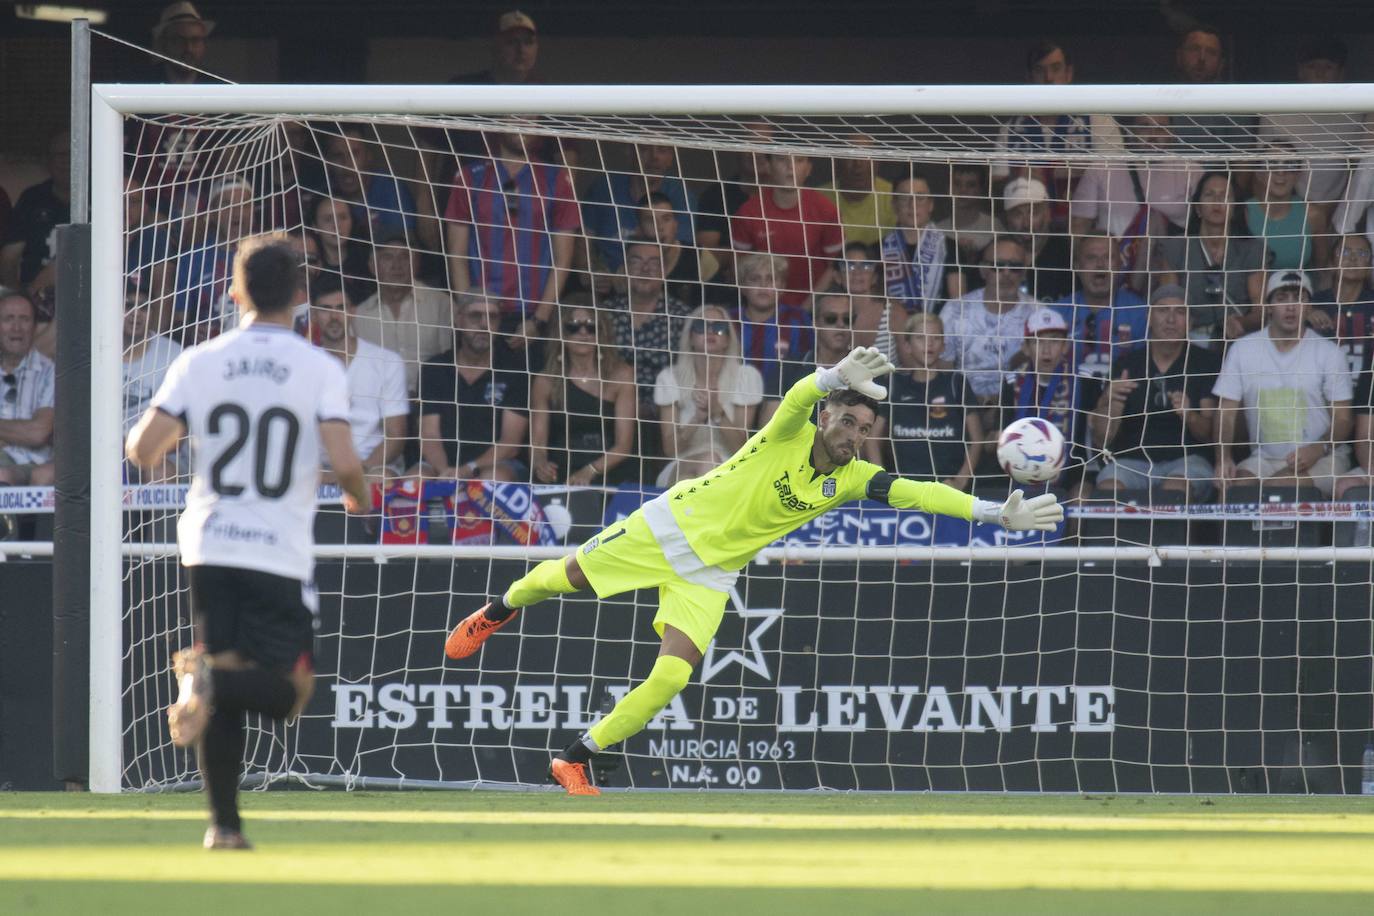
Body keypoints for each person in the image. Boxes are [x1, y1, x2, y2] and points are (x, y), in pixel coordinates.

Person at [442, 346, 1062, 795]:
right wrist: (832, 377)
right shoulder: (785, 436)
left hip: (713, 572)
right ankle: (493, 614)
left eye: (864, 428)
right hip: (669, 528)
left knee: (670, 679)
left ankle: (575, 758)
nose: (853, 434)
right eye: (847, 419)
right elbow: (796, 397)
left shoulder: (852, 480)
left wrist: (990, 512)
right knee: (560, 580)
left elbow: (923, 494)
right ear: (828, 419)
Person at [124, 233, 369, 849]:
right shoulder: (319, 366)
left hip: (207, 544)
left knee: (224, 682)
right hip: (275, 551)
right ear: (299, 295)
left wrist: (191, 447)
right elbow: (343, 460)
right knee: (291, 691)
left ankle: (224, 828)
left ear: (234, 291)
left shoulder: (198, 360)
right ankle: (206, 684)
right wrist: (360, 497)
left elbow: (142, 449)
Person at [1214, 270, 1353, 497]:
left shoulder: (1329, 353)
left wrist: (1319, 448)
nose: (1291, 307)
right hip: (1264, 459)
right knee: (1232, 494)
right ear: (1268, 307)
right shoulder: (1242, 349)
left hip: (1325, 458)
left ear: (1309, 306)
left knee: (1277, 491)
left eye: (1299, 298)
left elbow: (1344, 417)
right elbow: (1226, 412)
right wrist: (1224, 459)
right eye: (1281, 299)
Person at [444, 131, 579, 346]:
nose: (523, 124)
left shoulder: (557, 179)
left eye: (530, 118)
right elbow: (456, 254)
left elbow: (563, 259)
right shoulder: (470, 177)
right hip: (480, 312)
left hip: (533, 315)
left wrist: (539, 319)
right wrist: (468, 312)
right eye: (516, 116)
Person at [1090, 285, 1220, 501]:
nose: (1170, 319)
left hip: (1188, 460)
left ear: (1190, 322)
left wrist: (1191, 416)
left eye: (1180, 312)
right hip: (1132, 460)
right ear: (1149, 317)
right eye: (1162, 311)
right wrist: (1108, 402)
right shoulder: (1128, 364)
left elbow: (1211, 436)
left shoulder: (1206, 362)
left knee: (1175, 490)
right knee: (1108, 488)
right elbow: (1101, 439)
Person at [991, 40, 1125, 229]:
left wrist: (1080, 171)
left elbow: (1118, 183)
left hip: (1089, 232)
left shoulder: (1098, 121)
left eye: (1056, 68)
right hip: (1029, 233)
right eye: (1040, 70)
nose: (1048, 78)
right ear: (1029, 78)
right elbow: (993, 193)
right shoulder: (1011, 129)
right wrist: (1017, 176)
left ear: (1068, 73)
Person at [417, 294, 529, 482]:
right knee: (415, 479)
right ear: (459, 320)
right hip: (441, 464)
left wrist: (467, 470)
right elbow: (429, 436)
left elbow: (511, 444)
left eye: (492, 317)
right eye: (475, 316)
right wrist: (446, 472)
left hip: (495, 464)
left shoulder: (514, 371)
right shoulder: (435, 368)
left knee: (492, 479)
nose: (484, 324)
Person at [308, 275, 408, 481]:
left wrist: (361, 468)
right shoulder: (302, 364)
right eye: (325, 309)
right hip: (318, 469)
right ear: (314, 314)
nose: (334, 316)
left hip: (372, 465)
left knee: (380, 480)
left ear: (352, 311)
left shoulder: (387, 361)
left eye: (341, 307)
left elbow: (396, 435)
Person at [1068, 115, 1198, 271]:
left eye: (1161, 129)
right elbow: (1079, 226)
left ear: (1171, 134)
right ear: (1132, 131)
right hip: (1111, 271)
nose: (1153, 136)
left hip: (1170, 268)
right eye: (1145, 127)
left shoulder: (1191, 171)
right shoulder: (1102, 167)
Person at [654, 305, 765, 486]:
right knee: (708, 462)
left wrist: (717, 413)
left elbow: (740, 449)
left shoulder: (746, 377)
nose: (710, 332)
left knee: (697, 476)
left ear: (729, 340)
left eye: (719, 328)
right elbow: (671, 450)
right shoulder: (669, 377)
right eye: (701, 326)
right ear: (690, 337)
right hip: (682, 463)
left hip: (731, 466)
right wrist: (697, 418)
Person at [1151, 170, 1265, 345]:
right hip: (1189, 339)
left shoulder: (1251, 249)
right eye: (1209, 194)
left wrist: (1242, 322)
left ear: (1235, 208)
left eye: (1224, 195)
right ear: (1197, 208)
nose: (1217, 201)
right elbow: (1167, 303)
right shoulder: (1176, 247)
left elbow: (1262, 310)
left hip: (1239, 339)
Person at [529, 304, 637, 486]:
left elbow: (624, 445)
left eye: (591, 327)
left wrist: (590, 471)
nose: (583, 333)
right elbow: (537, 442)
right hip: (561, 466)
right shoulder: (545, 380)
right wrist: (540, 464)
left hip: (609, 467)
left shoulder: (623, 374)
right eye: (573, 327)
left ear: (601, 334)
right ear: (562, 334)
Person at [980, 308, 1086, 491]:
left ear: (1065, 346)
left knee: (1081, 493)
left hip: (1071, 469)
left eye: (1054, 340)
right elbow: (999, 433)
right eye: (1038, 341)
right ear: (1026, 348)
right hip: (1018, 464)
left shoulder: (1083, 381)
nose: (1046, 349)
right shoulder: (1012, 381)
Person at [875, 312, 982, 492]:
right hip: (905, 488)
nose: (929, 343)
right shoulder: (894, 385)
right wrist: (881, 479)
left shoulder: (956, 383)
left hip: (948, 489)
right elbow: (872, 437)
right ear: (907, 345)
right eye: (921, 337)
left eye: (936, 337)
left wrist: (961, 481)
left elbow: (978, 440)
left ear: (943, 345)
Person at [731, 153, 844, 306]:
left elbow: (836, 267)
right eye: (781, 159)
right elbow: (739, 267)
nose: (790, 166)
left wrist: (806, 309)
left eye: (799, 160)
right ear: (768, 166)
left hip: (814, 308)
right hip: (763, 307)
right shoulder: (748, 212)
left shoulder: (826, 210)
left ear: (808, 169)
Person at [351, 231, 453, 394]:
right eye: (387, 257)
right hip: (381, 406)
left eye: (405, 257)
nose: (396, 265)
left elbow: (451, 361)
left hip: (431, 403)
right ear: (372, 266)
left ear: (416, 263)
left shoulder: (442, 304)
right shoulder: (360, 315)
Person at [939, 237, 1040, 400]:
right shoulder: (955, 310)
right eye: (997, 266)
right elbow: (942, 373)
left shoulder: (1038, 314)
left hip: (1019, 404)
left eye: (1015, 267)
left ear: (1024, 272)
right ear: (983, 271)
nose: (1006, 274)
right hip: (961, 405)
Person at [0, 128, 71, 352]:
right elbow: (10, 257)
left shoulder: (99, 196)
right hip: (35, 295)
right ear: (48, 161)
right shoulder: (32, 198)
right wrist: (17, 297)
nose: (67, 162)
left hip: (82, 290)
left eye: (73, 154)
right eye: (60, 155)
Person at [602, 237, 695, 406]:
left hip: (668, 411)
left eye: (653, 263)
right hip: (611, 410)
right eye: (636, 262)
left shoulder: (683, 317)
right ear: (625, 268)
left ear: (665, 270)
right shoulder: (605, 314)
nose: (645, 269)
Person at [581, 144, 696, 274]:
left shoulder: (682, 196)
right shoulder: (604, 188)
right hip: (604, 286)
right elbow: (582, 240)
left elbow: (678, 252)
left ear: (671, 157)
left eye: (662, 150)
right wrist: (588, 274)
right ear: (630, 152)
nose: (654, 157)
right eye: (645, 149)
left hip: (659, 283)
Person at [1051, 233, 1148, 381]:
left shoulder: (1140, 312)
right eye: (1091, 258)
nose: (1100, 264)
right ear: (1077, 266)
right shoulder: (1057, 313)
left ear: (1120, 265)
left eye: (1108, 257)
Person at [122, 288, 183, 482]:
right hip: (101, 450)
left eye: (144, 307)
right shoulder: (95, 349)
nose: (136, 314)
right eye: (129, 305)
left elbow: (182, 426)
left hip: (158, 451)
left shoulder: (173, 354)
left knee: (161, 474)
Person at [732, 252, 811, 397]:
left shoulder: (797, 319)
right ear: (742, 286)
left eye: (771, 279)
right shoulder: (730, 320)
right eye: (755, 279)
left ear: (782, 286)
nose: (763, 285)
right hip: (735, 398)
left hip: (784, 399)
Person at [0, 292, 55, 488]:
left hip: (30, 464)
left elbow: (38, 433)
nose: (17, 328)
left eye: (24, 319)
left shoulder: (50, 371)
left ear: (34, 327)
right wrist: (17, 431)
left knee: (2, 475)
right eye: (8, 319)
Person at [881, 174, 946, 314]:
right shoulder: (878, 249)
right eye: (905, 198)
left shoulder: (948, 248)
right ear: (894, 205)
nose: (912, 204)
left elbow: (958, 303)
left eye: (920, 198)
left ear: (931, 204)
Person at [1310, 234, 1374, 376]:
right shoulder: (1314, 304)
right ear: (1332, 264)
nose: (1352, 258)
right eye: (1344, 252)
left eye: (1362, 253)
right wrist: (1305, 314)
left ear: (1369, 267)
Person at [1002, 177, 1073, 302]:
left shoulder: (1067, 253)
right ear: (1007, 219)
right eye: (1017, 214)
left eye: (1033, 213)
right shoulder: (996, 252)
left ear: (1047, 215)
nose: (1026, 224)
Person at [934, 162, 1002, 290]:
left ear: (981, 190)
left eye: (970, 185)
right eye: (957, 184)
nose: (963, 190)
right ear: (948, 188)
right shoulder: (937, 231)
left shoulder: (995, 227)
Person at [1245, 152, 1316, 273]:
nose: (1281, 172)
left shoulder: (1312, 214)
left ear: (1298, 174)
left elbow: (1321, 267)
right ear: (1259, 173)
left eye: (1289, 165)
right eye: (1272, 164)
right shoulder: (1244, 211)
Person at [820, 143, 895, 247]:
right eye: (850, 156)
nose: (858, 164)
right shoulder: (819, 198)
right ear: (837, 163)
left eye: (865, 156)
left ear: (877, 162)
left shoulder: (895, 196)